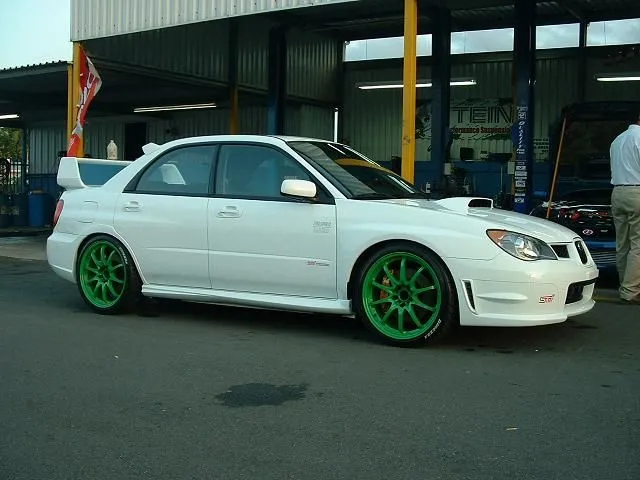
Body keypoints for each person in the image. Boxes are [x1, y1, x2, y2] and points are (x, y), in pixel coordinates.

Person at [609, 111, 640, 305]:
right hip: (637, 192)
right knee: (638, 245)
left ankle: (624, 286)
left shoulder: (617, 140)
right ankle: (630, 291)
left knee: (622, 244)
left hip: (617, 192)